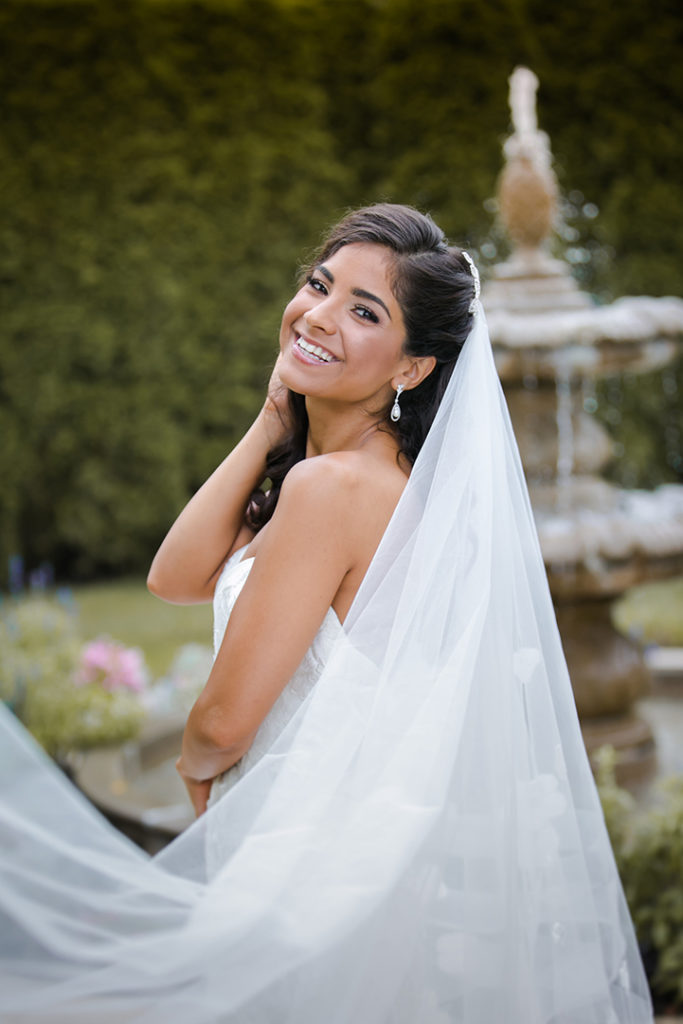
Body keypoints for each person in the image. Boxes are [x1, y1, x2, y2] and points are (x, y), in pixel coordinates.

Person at [0, 204, 653, 1023]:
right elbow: (175, 576)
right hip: (354, 853)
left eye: (363, 310)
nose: (318, 315)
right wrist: (274, 415)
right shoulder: (353, 474)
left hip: (297, 848)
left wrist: (197, 764)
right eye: (319, 285)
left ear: (412, 369)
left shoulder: (328, 491)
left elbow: (223, 724)